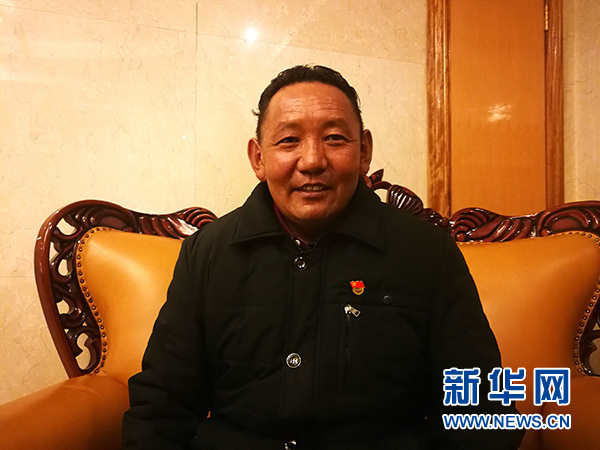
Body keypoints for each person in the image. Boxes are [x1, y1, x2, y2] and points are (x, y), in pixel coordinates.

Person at [122, 65, 523, 449]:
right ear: (258, 158)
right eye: (289, 140)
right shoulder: (208, 253)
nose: (313, 160)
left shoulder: (427, 253)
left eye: (334, 138)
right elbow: (163, 403)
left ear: (364, 151)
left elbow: (478, 406)